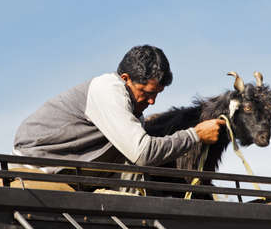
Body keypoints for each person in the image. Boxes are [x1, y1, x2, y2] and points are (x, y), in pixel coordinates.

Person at [12, 45, 225, 191]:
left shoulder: (133, 112)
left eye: (156, 95)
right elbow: (143, 153)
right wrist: (194, 135)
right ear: (126, 79)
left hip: (72, 176)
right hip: (37, 167)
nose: (151, 102)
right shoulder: (108, 91)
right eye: (146, 92)